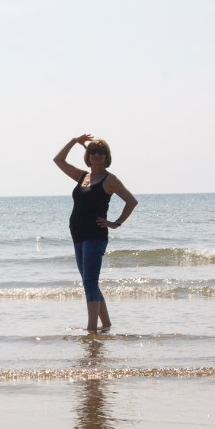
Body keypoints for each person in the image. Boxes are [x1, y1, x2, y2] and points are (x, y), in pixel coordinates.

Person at [54, 134, 137, 333]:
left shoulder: (110, 180)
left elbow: (131, 201)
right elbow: (58, 160)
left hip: (95, 235)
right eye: (93, 151)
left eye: (101, 152)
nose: (97, 155)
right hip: (78, 235)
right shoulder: (82, 176)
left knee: (90, 282)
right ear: (88, 155)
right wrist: (74, 141)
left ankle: (92, 329)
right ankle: (106, 324)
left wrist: (115, 223)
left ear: (106, 156)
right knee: (88, 281)